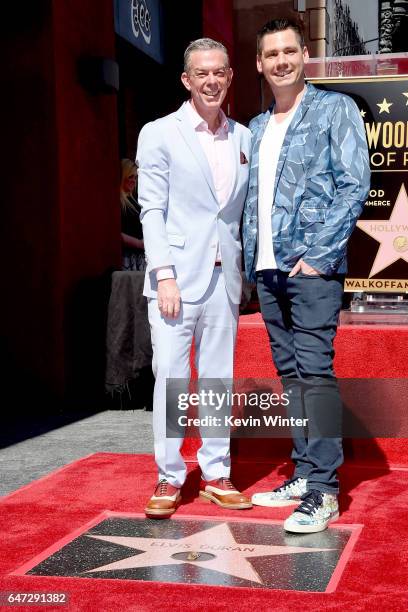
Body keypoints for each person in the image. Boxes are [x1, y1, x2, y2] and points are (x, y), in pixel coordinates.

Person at [243, 18, 370, 533]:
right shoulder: (254, 126)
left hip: (312, 268)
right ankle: (304, 471)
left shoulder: (334, 109)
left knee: (315, 372)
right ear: (259, 62)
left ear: (304, 55)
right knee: (291, 375)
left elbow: (354, 183)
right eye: (271, 54)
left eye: (289, 51)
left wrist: (318, 255)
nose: (281, 61)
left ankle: (324, 491)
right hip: (268, 269)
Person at [137, 38, 252, 518]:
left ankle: (216, 472)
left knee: (217, 380)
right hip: (175, 281)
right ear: (187, 80)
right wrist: (163, 275)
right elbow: (151, 209)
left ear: (229, 77)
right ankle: (168, 476)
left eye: (218, 72)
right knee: (171, 378)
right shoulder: (159, 132)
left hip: (225, 280)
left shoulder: (246, 137)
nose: (211, 81)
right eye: (201, 73)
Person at [120, 158, 146, 271]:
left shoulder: (134, 200)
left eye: (135, 177)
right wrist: (139, 243)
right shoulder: (118, 201)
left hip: (139, 257)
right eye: (130, 176)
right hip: (127, 258)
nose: (133, 181)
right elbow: (114, 234)